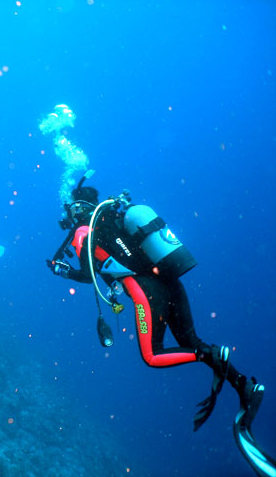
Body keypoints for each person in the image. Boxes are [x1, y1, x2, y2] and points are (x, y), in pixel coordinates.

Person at [47, 171, 275, 477]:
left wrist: (62, 271)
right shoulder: (115, 219)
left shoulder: (82, 231)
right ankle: (246, 386)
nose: (68, 217)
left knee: (152, 356)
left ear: (76, 208)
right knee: (191, 341)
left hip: (146, 293)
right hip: (169, 282)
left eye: (70, 211)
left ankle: (211, 356)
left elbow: (89, 275)